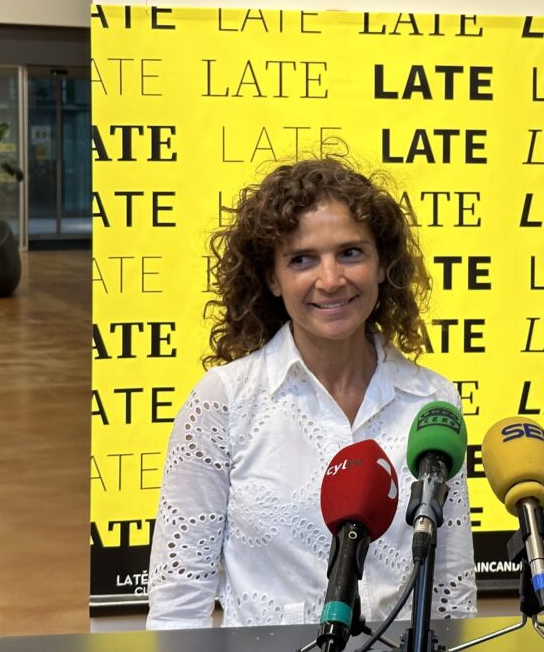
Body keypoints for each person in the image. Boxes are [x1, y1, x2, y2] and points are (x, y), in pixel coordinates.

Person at [147, 156, 477, 628]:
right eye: (302, 259)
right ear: (271, 279)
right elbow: (178, 600)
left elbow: (450, 593)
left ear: (383, 265)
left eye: (350, 253)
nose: (330, 279)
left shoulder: (433, 403)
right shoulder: (223, 402)